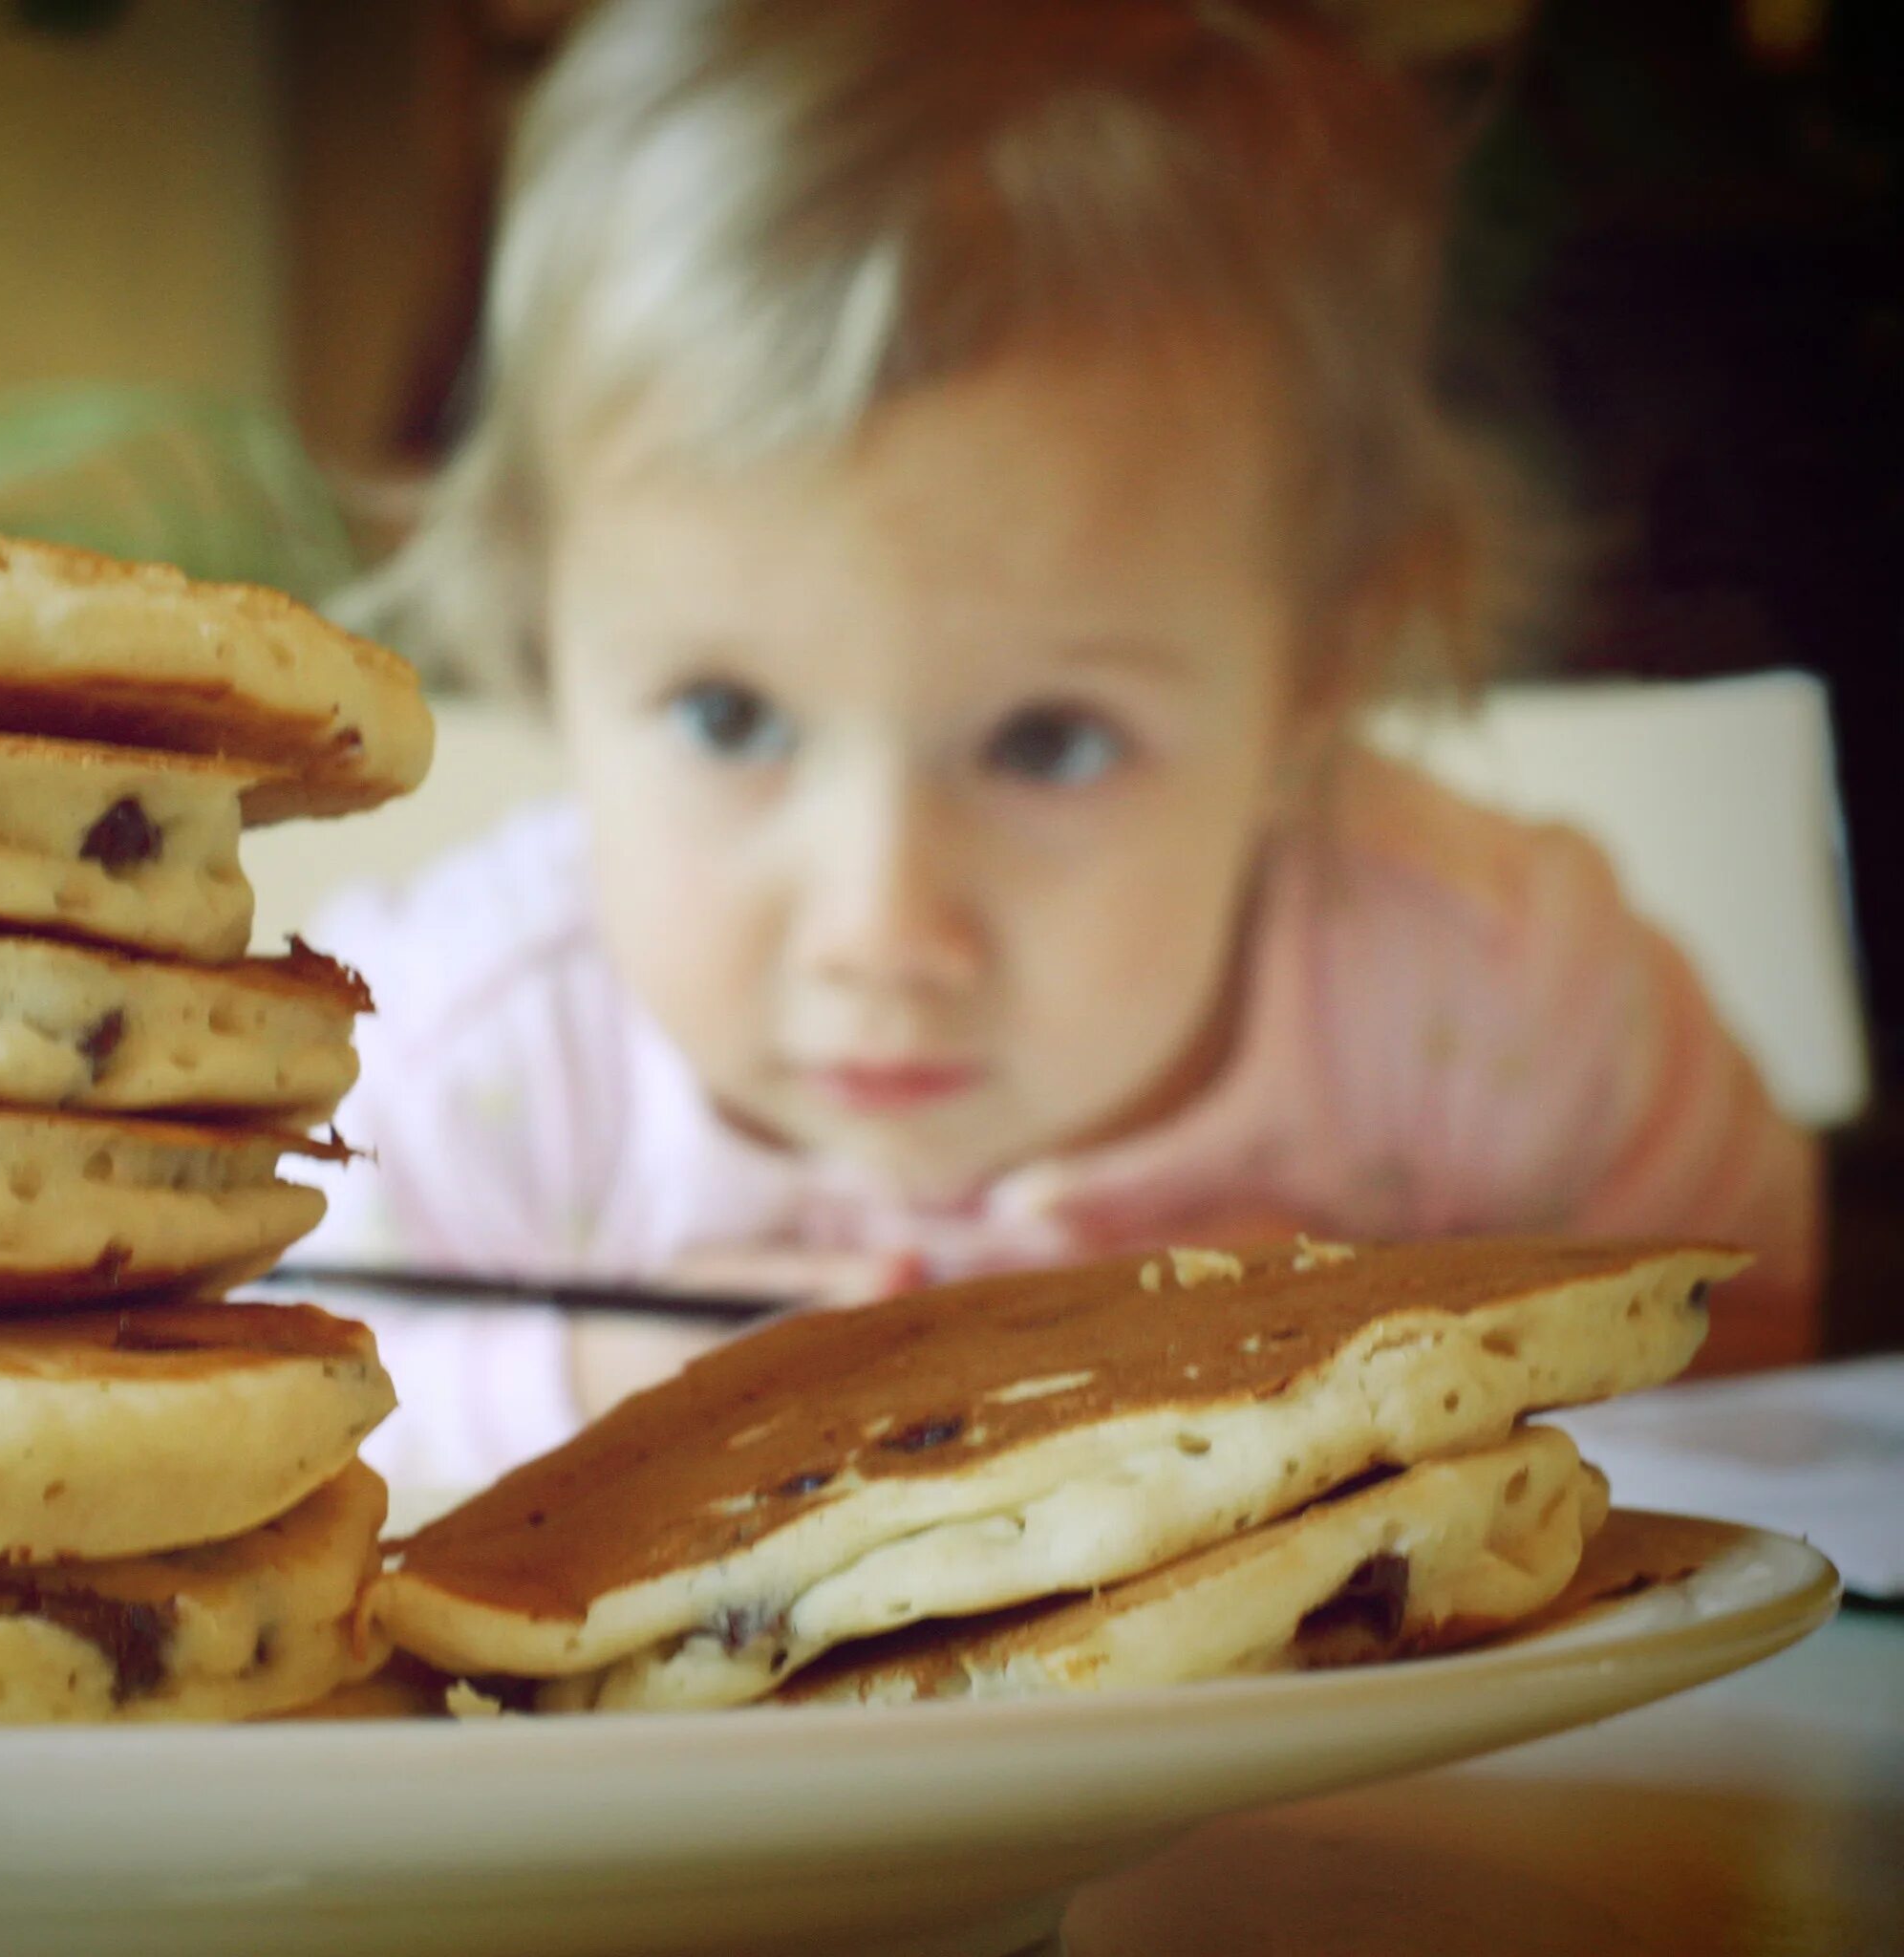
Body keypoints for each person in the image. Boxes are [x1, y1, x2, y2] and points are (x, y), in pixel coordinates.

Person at [297, 0, 1821, 1490]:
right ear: (539, 634)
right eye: (730, 718)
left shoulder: (1496, 995)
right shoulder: (443, 1061)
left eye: (1049, 742)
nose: (883, 935)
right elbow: (232, 1385)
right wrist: (572, 1392)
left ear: (1317, 676)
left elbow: (1747, 1336)